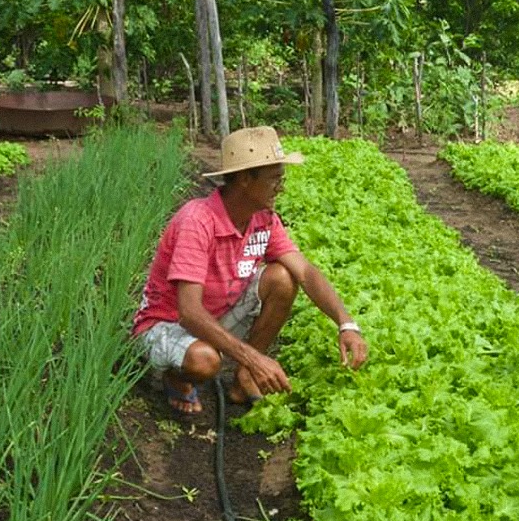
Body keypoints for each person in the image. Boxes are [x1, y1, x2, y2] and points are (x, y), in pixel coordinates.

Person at [132, 125, 368, 414]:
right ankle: (174, 377)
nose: (281, 187)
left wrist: (347, 324)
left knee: (283, 277)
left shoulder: (263, 219)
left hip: (214, 316)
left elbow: (305, 272)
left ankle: (243, 376)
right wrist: (257, 358)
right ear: (245, 179)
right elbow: (189, 312)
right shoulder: (197, 221)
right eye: (274, 179)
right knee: (205, 361)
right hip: (166, 325)